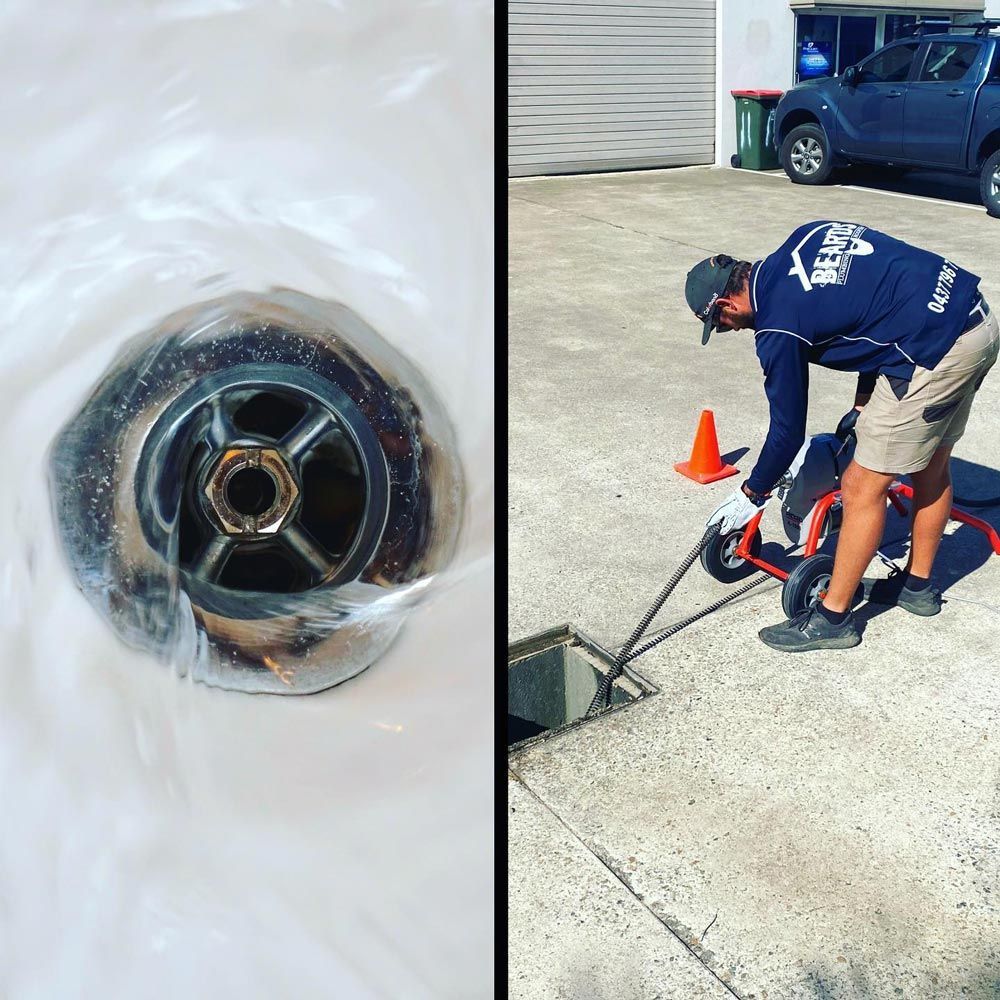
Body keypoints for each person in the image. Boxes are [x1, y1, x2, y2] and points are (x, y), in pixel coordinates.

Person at [684, 220, 999, 652]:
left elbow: (788, 430)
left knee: (860, 486)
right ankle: (917, 589)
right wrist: (862, 402)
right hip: (972, 316)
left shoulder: (777, 327)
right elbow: (876, 303)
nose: (731, 331)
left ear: (726, 305)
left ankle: (833, 619)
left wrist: (751, 493)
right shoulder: (806, 237)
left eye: (721, 325)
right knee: (931, 463)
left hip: (938, 351)